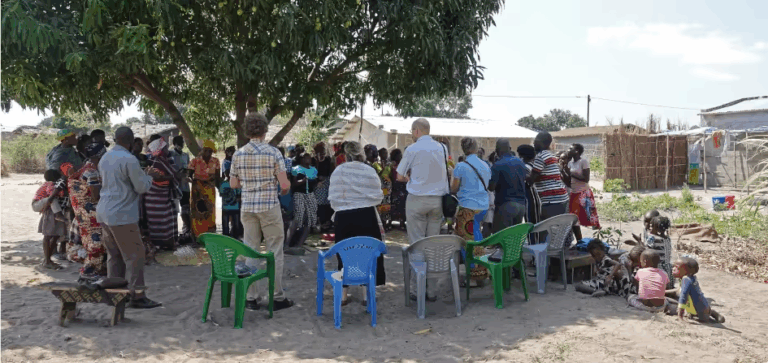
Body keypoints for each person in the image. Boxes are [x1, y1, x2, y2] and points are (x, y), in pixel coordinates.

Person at [230, 113, 294, 311]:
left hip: (248, 207)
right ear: (265, 130)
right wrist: (283, 187)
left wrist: (249, 184)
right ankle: (276, 296)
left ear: (247, 131)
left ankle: (251, 297)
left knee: (250, 249)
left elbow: (233, 183)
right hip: (268, 206)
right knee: (275, 250)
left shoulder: (238, 154)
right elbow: (284, 185)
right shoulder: (273, 153)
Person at [96, 126, 163, 309]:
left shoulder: (105, 158)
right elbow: (141, 187)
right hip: (122, 214)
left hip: (104, 211)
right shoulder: (129, 159)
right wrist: (149, 176)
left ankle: (115, 295)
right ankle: (137, 295)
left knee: (114, 255)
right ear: (131, 141)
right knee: (135, 255)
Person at [328, 141, 385, 305]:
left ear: (346, 155)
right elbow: (378, 195)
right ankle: (367, 296)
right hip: (366, 216)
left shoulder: (338, 171)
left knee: (344, 255)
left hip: (343, 217)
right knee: (368, 255)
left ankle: (343, 296)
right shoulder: (369, 170)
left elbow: (333, 198)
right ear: (362, 154)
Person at [396, 118, 449, 244]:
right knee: (432, 240)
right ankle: (431, 263)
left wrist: (408, 179)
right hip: (437, 200)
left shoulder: (412, 149)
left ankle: (418, 263)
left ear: (417, 131)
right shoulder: (442, 148)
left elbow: (399, 176)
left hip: (417, 199)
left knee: (416, 241)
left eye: (412, 131)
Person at [451, 137, 491, 283]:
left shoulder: (461, 166)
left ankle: (475, 275)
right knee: (477, 236)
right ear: (475, 148)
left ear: (463, 149)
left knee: (467, 241)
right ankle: (481, 269)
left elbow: (454, 188)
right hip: (483, 207)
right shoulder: (485, 165)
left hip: (468, 208)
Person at [67, 143, 108, 276]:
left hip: (82, 215)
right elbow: (95, 195)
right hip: (92, 214)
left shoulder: (83, 169)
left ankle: (93, 269)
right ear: (100, 155)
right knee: (97, 242)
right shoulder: (92, 172)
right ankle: (92, 270)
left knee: (89, 241)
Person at [529, 132, 573, 242]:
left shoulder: (540, 156)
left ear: (542, 143)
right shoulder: (551, 156)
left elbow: (531, 179)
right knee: (557, 231)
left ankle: (545, 257)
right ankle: (557, 254)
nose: (534, 143)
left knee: (545, 231)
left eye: (536, 140)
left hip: (551, 200)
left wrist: (522, 175)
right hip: (562, 198)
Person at [142, 137, 180, 251]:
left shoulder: (162, 161)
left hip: (161, 198)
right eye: (165, 147)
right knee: (160, 221)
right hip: (157, 198)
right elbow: (162, 177)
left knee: (164, 221)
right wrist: (171, 177)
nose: (167, 149)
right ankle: (163, 244)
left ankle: (165, 243)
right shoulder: (156, 162)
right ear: (160, 149)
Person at [666, 257, 725, 323]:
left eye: (676, 267)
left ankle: (712, 313)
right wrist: (664, 292)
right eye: (674, 266)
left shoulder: (686, 280)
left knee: (703, 320)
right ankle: (710, 312)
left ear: (686, 271)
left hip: (700, 312)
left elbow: (683, 298)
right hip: (703, 306)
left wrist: (680, 316)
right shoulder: (689, 277)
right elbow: (678, 290)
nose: (673, 269)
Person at [488, 138, 528, 233]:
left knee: (501, 237)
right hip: (521, 205)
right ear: (510, 148)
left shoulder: (497, 165)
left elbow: (491, 187)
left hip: (505, 205)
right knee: (514, 237)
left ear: (497, 150)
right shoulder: (520, 162)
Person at [32, 169, 68, 270]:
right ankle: (47, 261)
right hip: (43, 206)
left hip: (50, 208)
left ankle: (47, 260)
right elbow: (51, 196)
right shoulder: (50, 184)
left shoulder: (59, 183)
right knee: (48, 236)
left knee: (55, 235)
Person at [563, 144, 601, 234]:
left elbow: (586, 179)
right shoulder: (570, 163)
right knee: (574, 219)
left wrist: (570, 173)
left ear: (577, 151)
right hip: (574, 193)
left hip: (583, 193)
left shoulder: (583, 162)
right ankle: (579, 241)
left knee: (588, 217)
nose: (568, 150)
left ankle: (593, 241)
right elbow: (569, 181)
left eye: (570, 148)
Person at [286, 152, 319, 249]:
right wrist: (303, 181)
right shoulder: (296, 169)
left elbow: (315, 183)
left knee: (309, 220)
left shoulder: (313, 170)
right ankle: (286, 244)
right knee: (297, 218)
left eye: (309, 158)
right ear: (301, 159)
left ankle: (299, 245)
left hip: (310, 195)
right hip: (299, 194)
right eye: (306, 158)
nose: (308, 160)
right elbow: (293, 184)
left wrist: (317, 183)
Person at [189, 140, 221, 237]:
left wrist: (213, 181)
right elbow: (189, 175)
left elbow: (217, 176)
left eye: (210, 151)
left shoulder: (216, 161)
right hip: (197, 189)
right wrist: (196, 181)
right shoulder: (194, 161)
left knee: (209, 211)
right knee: (197, 211)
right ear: (203, 150)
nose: (209, 153)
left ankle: (209, 234)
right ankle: (197, 235)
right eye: (207, 150)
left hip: (210, 189)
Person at [169, 136, 192, 237]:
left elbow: (189, 169)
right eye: (179, 142)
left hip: (185, 187)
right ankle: (174, 232)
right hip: (174, 187)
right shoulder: (170, 154)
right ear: (174, 143)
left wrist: (188, 175)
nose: (181, 144)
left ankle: (187, 229)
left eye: (182, 142)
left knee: (186, 209)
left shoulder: (185, 155)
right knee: (174, 210)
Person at [366, 144, 392, 230]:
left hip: (386, 187)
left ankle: (384, 223)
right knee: (379, 206)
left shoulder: (384, 163)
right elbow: (380, 173)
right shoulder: (375, 164)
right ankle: (380, 224)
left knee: (386, 205)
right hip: (379, 187)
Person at [646, 215, 674, 288]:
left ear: (657, 228)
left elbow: (647, 252)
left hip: (657, 268)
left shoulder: (652, 238)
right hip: (668, 268)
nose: (649, 228)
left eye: (651, 226)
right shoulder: (668, 239)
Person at [517, 144, 541, 225]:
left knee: (531, 223)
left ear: (523, 155)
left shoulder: (526, 167)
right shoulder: (533, 165)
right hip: (533, 198)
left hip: (530, 199)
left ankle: (533, 238)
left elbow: (527, 183)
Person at [313, 142, 334, 232]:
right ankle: (318, 224)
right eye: (321, 151)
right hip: (317, 184)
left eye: (324, 151)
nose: (323, 153)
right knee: (318, 204)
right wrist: (317, 161)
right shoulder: (313, 160)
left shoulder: (328, 159)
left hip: (327, 183)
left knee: (327, 204)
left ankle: (326, 224)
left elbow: (331, 171)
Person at [220, 165, 242, 239]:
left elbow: (221, 194)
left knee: (225, 225)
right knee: (236, 225)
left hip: (225, 207)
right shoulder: (237, 183)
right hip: (235, 207)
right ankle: (235, 238)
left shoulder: (223, 184)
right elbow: (239, 196)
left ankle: (226, 238)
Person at [388, 148, 408, 230]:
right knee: (394, 205)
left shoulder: (401, 165)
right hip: (395, 187)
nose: (400, 156)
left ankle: (402, 222)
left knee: (401, 205)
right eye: (399, 155)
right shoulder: (391, 165)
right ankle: (391, 222)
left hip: (401, 187)